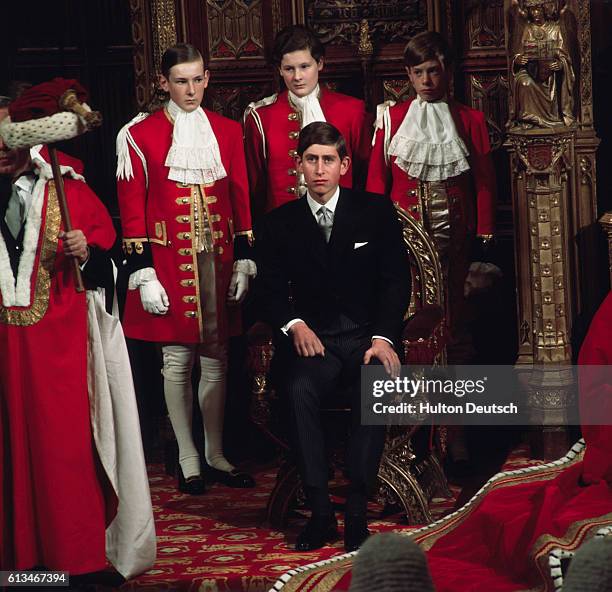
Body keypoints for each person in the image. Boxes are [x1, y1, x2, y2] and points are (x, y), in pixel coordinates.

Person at [0, 83, 154, 577]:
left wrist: (87, 251)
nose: (2, 148)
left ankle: (67, 565)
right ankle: (14, 569)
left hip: (63, 357)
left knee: (62, 459)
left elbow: (109, 272)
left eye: (10, 136)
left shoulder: (70, 188)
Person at [257, 122, 411, 552]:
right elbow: (267, 291)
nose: (320, 169)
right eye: (311, 160)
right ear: (299, 165)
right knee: (298, 385)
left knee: (373, 385)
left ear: (344, 165)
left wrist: (383, 338)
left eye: (328, 160)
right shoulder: (278, 223)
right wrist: (294, 325)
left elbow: (395, 282)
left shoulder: (375, 211)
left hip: (366, 338)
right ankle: (321, 511)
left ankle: (358, 511)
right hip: (315, 342)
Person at [116, 43, 256, 493]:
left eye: (197, 79)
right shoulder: (138, 136)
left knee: (218, 359)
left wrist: (244, 259)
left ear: (207, 78)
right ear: (162, 83)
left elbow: (240, 196)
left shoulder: (228, 131)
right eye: (180, 81)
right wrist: (144, 274)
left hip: (217, 261)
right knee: (176, 362)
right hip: (169, 265)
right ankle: (187, 456)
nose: (190, 89)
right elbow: (132, 208)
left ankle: (216, 453)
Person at [367, 30, 496, 353]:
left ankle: (452, 374)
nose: (426, 79)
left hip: (455, 234)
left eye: (433, 70)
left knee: (455, 307)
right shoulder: (392, 118)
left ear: (448, 71)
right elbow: (375, 181)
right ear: (409, 75)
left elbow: (483, 181)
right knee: (406, 303)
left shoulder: (470, 119)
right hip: (402, 234)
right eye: (418, 72)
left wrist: (484, 233)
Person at [243, 25, 372, 220]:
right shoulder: (261, 117)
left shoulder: (352, 110)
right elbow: (256, 186)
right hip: (283, 229)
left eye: (305, 66)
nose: (297, 77)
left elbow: (363, 175)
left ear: (320, 63)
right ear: (279, 69)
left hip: (344, 222)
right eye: (289, 69)